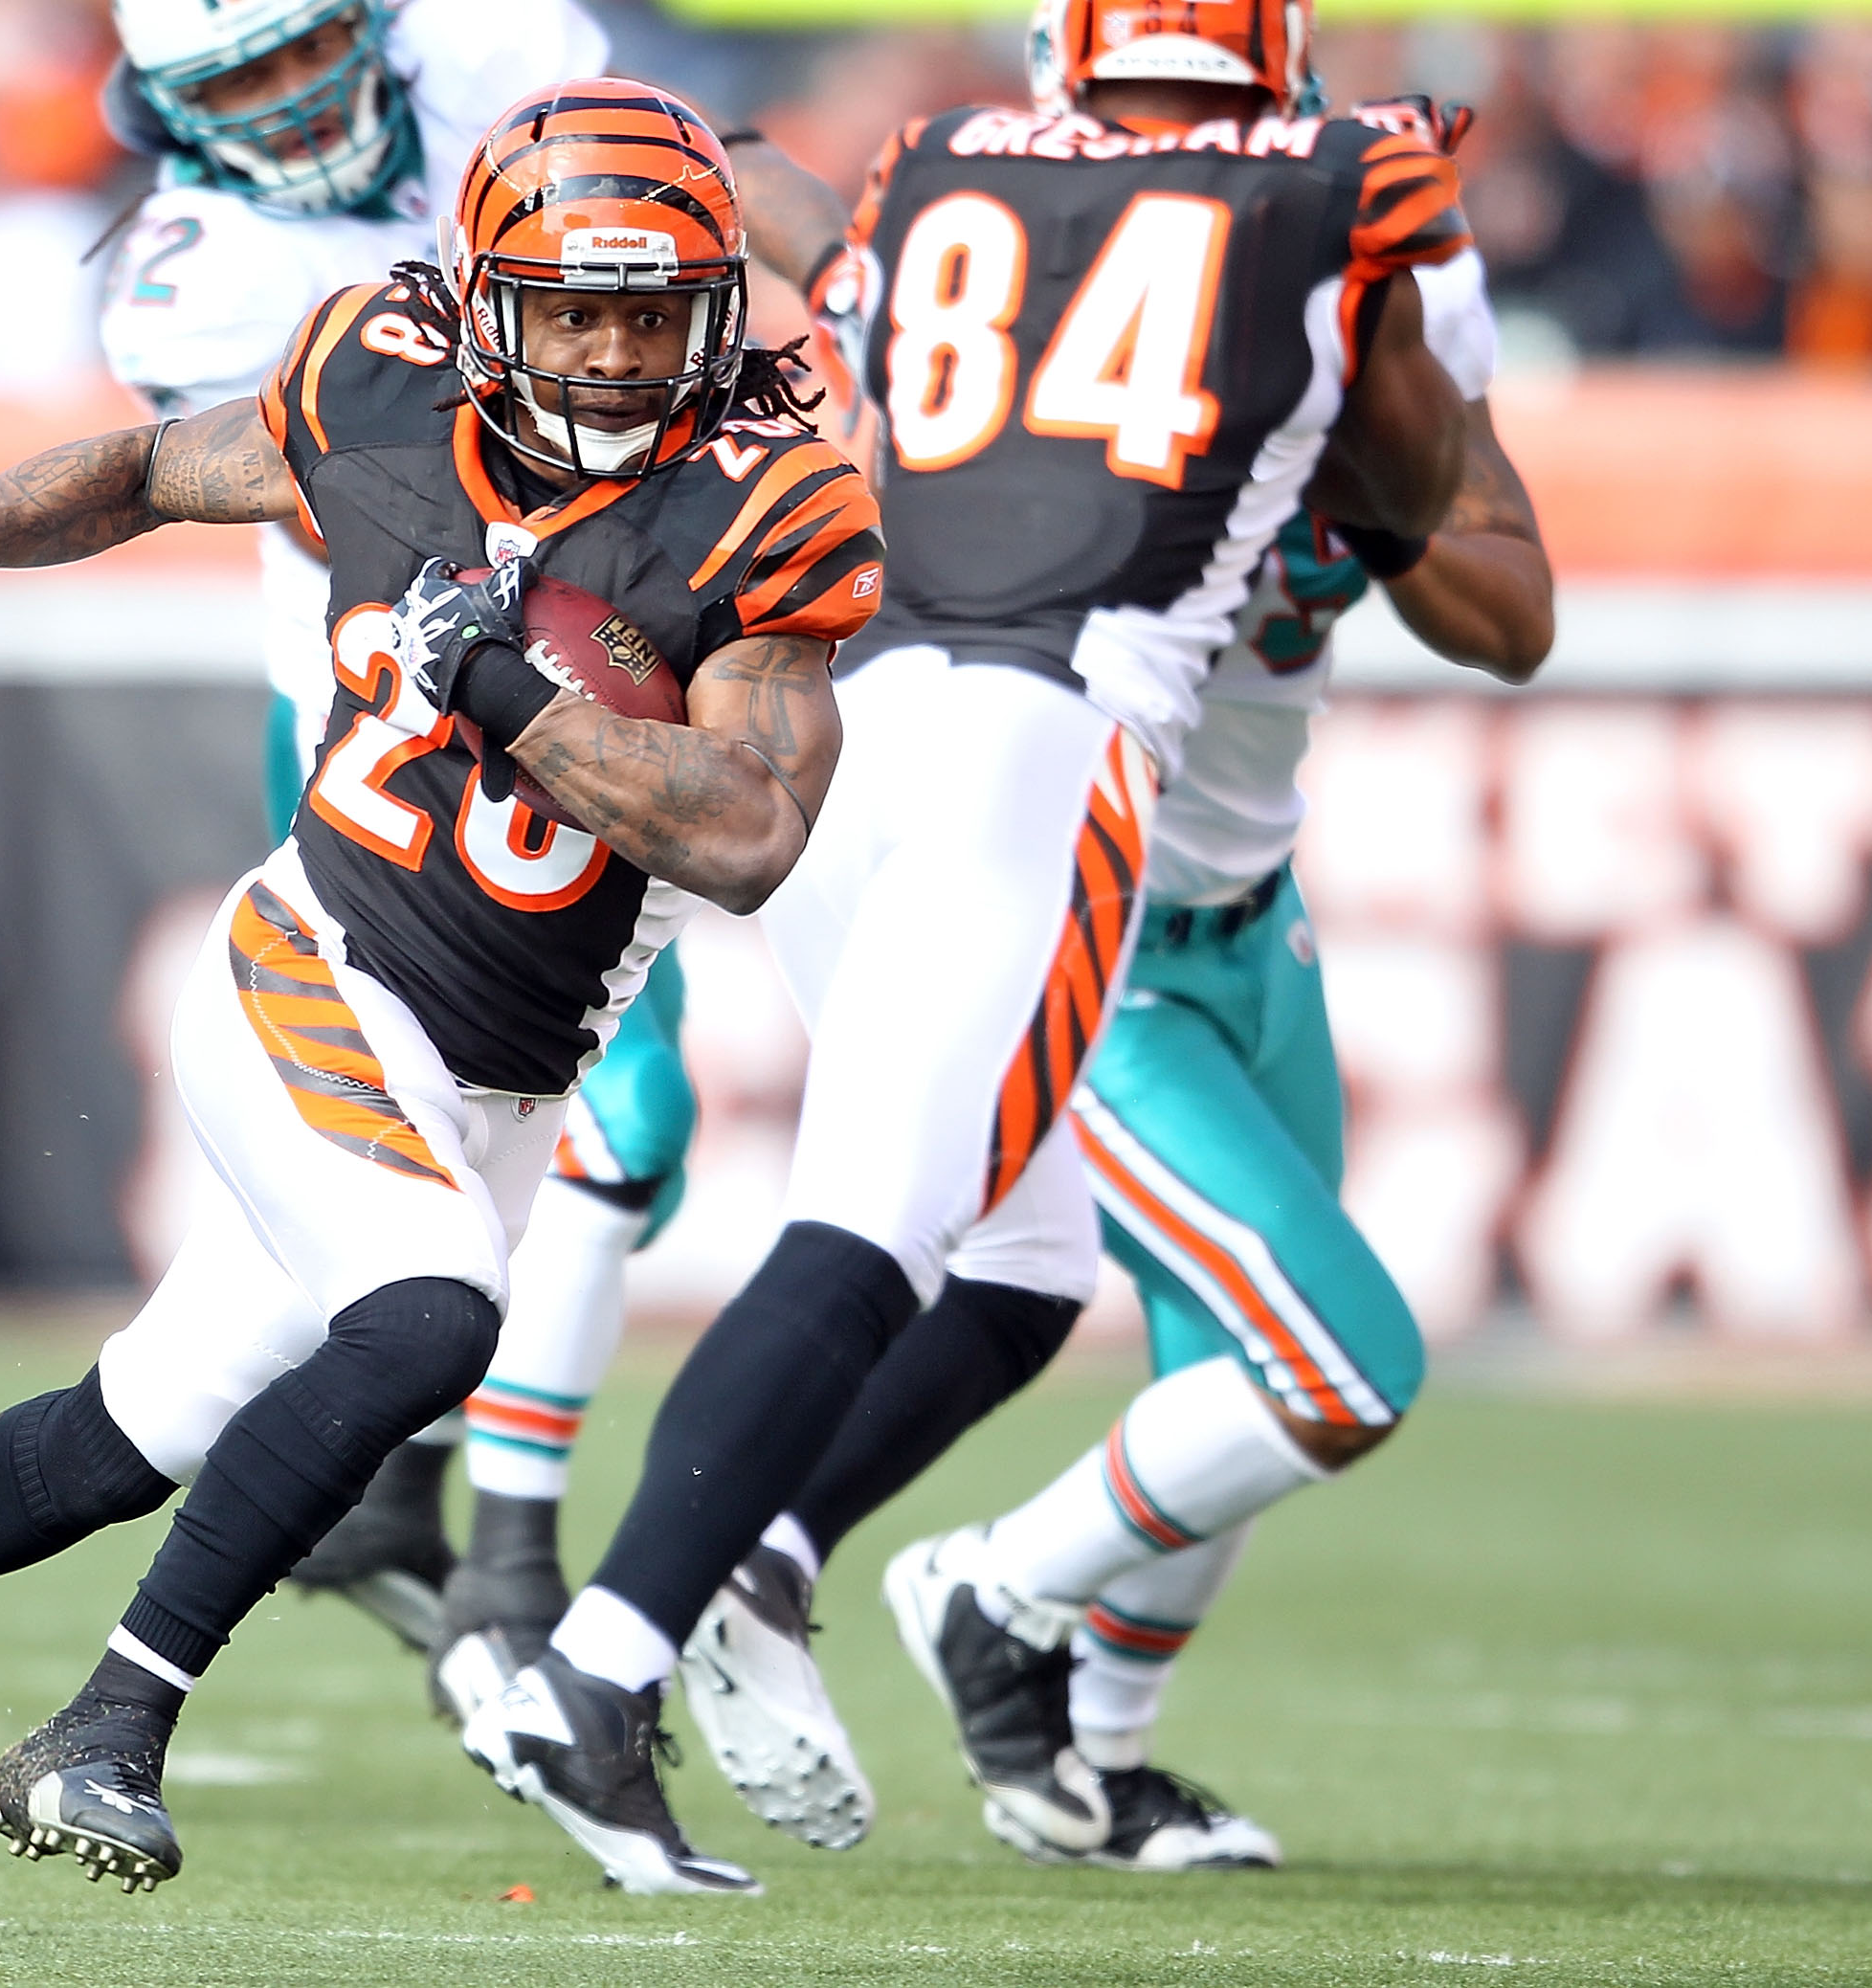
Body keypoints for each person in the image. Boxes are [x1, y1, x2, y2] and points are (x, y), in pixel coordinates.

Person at [0, 82, 882, 1897]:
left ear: (717, 313)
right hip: (315, 955)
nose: (615, 354)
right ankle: (107, 1731)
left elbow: (755, 831)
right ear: (481, 304)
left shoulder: (766, 507)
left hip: (505, 1065)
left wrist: (519, 701)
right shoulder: (381, 390)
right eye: (573, 308)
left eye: (652, 310)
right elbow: (152, 470)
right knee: (435, 1312)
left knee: (136, 1432)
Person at [462, 0, 1475, 1891]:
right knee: (874, 1236)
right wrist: (1371, 321)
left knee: (1024, 1254)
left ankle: (757, 1562)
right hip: (1051, 728)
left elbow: (775, 213)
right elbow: (1415, 498)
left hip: (852, 713)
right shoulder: (1345, 180)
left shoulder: (934, 164)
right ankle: (596, 1671)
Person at [682, 110, 1555, 1867]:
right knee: (1334, 1366)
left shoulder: (1374, 359)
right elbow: (827, 244)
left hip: (1251, 916)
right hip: (1096, 932)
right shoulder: (1063, 372)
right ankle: (983, 1592)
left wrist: (1359, 469)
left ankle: (1082, 1755)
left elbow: (1515, 610)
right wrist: (686, 143)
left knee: (1223, 1389)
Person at [91, 0, 708, 1678]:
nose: (291, 108)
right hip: (387, 698)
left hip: (587, 653)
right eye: (240, 87)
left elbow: (678, 247)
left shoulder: (501, 53)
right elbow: (343, 476)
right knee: (611, 1111)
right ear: (174, 114)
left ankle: (414, 1501)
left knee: (619, 1141)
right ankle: (505, 1570)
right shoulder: (193, 267)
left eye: (303, 55)